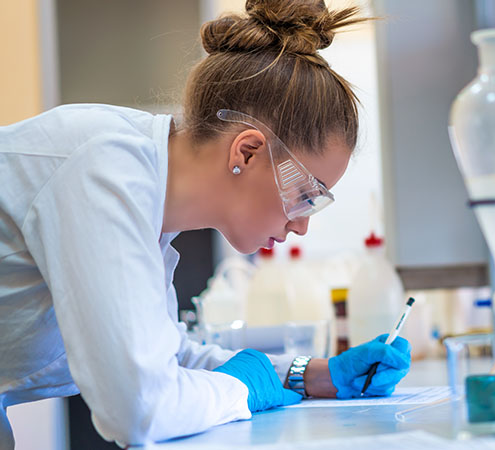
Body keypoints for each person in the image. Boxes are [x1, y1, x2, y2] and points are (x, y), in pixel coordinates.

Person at [0, 0, 411, 447]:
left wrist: (311, 376)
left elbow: (166, 356)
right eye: (305, 195)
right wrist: (244, 390)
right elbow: (139, 407)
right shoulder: (102, 170)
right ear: (247, 152)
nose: (301, 226)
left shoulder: (148, 193)